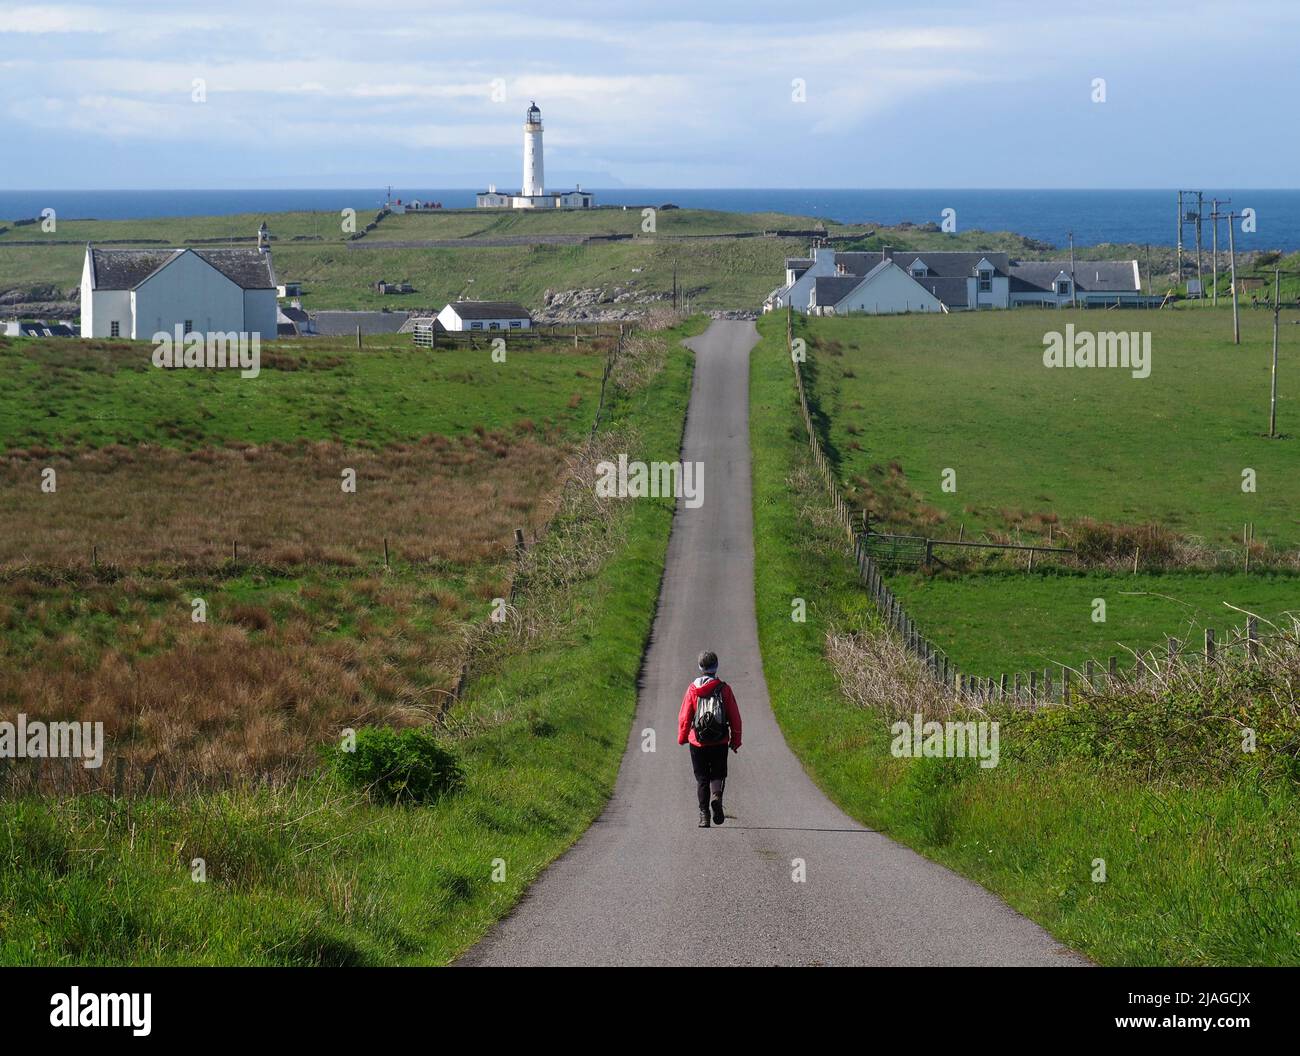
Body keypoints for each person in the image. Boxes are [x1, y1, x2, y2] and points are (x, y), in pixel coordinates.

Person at [677, 650, 742, 828]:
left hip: (697, 741)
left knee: (702, 778)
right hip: (719, 740)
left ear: (700, 667)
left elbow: (685, 717)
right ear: (716, 666)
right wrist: (736, 740)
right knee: (717, 775)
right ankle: (717, 797)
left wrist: (683, 737)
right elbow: (735, 717)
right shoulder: (724, 689)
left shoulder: (693, 689)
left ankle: (704, 815)